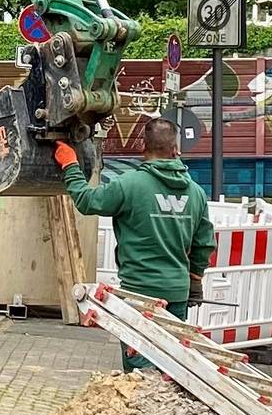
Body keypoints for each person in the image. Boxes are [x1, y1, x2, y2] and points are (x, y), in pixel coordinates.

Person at [56, 118, 215, 370]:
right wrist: (195, 281)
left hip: (139, 295)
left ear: (144, 147)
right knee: (171, 366)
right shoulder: (195, 192)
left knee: (141, 370)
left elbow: (87, 201)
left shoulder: (129, 185)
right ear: (176, 149)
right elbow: (203, 243)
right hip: (176, 294)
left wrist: (70, 165)